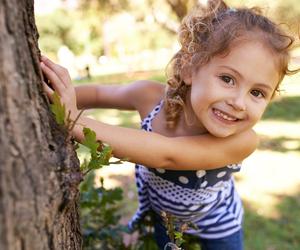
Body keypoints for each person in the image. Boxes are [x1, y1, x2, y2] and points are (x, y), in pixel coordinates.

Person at [40, 0, 298, 249]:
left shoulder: (243, 140)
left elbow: (166, 154)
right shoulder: (149, 98)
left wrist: (74, 120)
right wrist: (54, 93)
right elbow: (98, 94)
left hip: (219, 227)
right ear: (189, 68)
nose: (239, 102)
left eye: (257, 93)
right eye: (228, 79)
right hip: (165, 218)